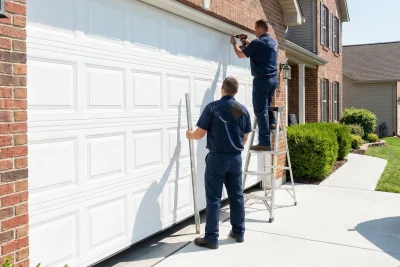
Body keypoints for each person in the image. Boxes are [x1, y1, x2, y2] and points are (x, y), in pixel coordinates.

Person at [186, 77, 252, 249]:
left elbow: (199, 134)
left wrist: (189, 134)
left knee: (214, 198)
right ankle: (238, 233)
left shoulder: (213, 108)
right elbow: (245, 137)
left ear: (222, 88)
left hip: (217, 159)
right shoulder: (242, 110)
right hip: (235, 158)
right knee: (236, 196)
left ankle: (211, 238)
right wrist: (234, 147)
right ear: (236, 91)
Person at [230, 19, 279, 151]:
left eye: (255, 28)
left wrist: (234, 44)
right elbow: (257, 48)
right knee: (267, 105)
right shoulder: (273, 43)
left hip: (262, 81)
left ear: (259, 28)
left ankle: (264, 142)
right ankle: (273, 123)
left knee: (260, 110)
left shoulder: (258, 43)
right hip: (273, 80)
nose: (254, 31)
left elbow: (240, 55)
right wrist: (246, 43)